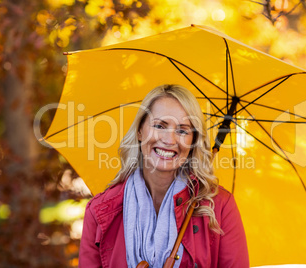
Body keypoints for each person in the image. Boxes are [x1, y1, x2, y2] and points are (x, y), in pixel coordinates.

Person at [79, 84, 249, 268]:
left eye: (183, 130)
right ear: (139, 131)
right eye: (159, 126)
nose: (169, 140)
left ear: (193, 141)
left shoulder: (220, 208)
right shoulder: (99, 212)